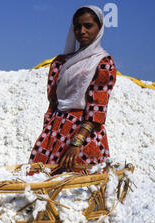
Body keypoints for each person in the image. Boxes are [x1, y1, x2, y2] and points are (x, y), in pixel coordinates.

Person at [28, 5, 117, 174]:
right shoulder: (60, 63)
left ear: (99, 28)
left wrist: (77, 142)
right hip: (55, 129)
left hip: (84, 131)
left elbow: (97, 108)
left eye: (88, 26)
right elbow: (53, 102)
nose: (81, 31)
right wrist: (47, 132)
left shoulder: (103, 63)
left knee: (79, 185)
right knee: (39, 179)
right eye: (77, 26)